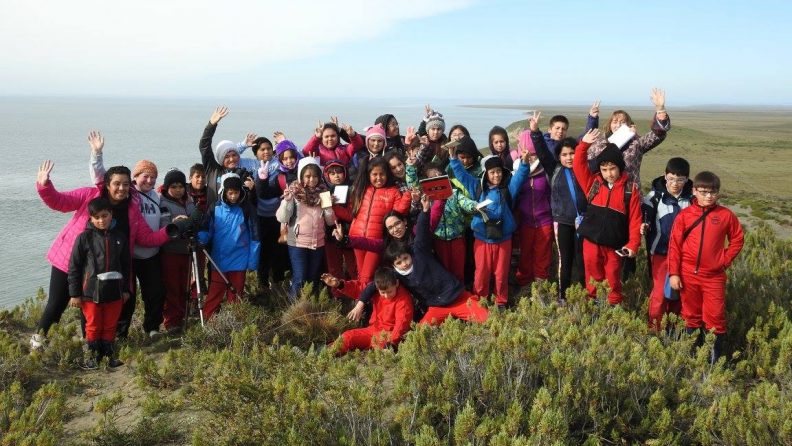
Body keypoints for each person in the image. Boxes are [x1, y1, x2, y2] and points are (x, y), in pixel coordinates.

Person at [31, 133, 172, 350]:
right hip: (68, 259)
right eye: (117, 184)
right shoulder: (90, 196)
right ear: (108, 184)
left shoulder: (132, 210)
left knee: (93, 306)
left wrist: (171, 230)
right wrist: (45, 185)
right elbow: (60, 201)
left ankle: (93, 345)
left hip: (102, 267)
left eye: (126, 185)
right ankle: (38, 342)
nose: (122, 188)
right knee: (56, 303)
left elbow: (146, 237)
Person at [351, 198, 489, 325]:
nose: (403, 264)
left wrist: (425, 210)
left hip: (457, 298)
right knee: (420, 334)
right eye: (390, 228)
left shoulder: (418, 248)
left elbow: (423, 228)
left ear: (404, 222)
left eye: (397, 223)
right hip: (436, 307)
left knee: (488, 319)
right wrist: (360, 303)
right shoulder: (396, 269)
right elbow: (375, 283)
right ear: (393, 264)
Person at [667, 171, 744, 361]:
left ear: (718, 193)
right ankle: (692, 358)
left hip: (714, 277)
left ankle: (713, 363)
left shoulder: (726, 215)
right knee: (690, 316)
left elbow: (737, 240)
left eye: (713, 192)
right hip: (687, 274)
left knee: (715, 319)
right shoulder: (685, 216)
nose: (708, 196)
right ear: (694, 191)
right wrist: (674, 273)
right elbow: (674, 245)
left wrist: (723, 261)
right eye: (703, 192)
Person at [90, 149, 166, 339]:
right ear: (136, 177)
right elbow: (102, 179)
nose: (149, 181)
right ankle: (120, 333)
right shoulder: (130, 194)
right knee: (127, 298)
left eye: (153, 177)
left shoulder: (157, 196)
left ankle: (152, 328)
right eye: (145, 176)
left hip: (151, 253)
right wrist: (96, 155)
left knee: (155, 292)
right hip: (130, 255)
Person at [449, 136, 531, 309]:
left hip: (503, 239)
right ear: (486, 174)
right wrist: (453, 158)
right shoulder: (477, 187)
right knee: (481, 273)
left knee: (501, 273)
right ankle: (482, 299)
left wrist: (524, 162)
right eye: (493, 172)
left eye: (499, 171)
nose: (497, 175)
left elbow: (520, 177)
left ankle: (501, 301)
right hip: (482, 238)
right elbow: (461, 175)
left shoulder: (508, 189)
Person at [573, 130, 642, 305]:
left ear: (620, 167)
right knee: (592, 280)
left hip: (614, 246)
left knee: (613, 281)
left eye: (612, 169)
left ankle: (613, 314)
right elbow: (578, 166)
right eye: (604, 169)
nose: (609, 173)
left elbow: (635, 220)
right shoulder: (593, 183)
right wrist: (584, 145)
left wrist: (633, 244)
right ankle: (593, 311)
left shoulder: (629, 190)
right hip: (591, 243)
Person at [529, 115, 587, 301]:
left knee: (583, 260)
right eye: (564, 154)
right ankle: (563, 296)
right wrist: (535, 132)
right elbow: (542, 152)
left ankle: (584, 295)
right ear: (559, 156)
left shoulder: (584, 169)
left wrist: (592, 120)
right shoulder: (553, 169)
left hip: (583, 222)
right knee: (565, 260)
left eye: (572, 153)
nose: (569, 157)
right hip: (562, 222)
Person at [68, 197, 130, 369]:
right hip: (90, 292)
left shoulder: (120, 237)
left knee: (110, 324)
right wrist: (74, 294)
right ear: (90, 218)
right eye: (97, 217)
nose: (101, 220)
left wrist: (126, 290)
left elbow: (126, 266)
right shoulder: (83, 238)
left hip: (115, 291)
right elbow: (74, 266)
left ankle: (109, 356)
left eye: (105, 215)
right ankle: (92, 357)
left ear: (111, 214)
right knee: (93, 325)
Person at [197, 173, 260, 319]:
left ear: (241, 192)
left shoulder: (247, 209)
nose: (233, 196)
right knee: (215, 292)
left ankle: (235, 322)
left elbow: (255, 238)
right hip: (218, 260)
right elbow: (207, 230)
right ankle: (208, 319)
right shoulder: (215, 208)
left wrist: (252, 262)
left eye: (236, 192)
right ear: (224, 192)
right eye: (230, 193)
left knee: (236, 293)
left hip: (240, 259)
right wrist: (201, 239)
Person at [341, 157, 411, 285]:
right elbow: (351, 214)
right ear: (369, 175)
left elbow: (398, 213)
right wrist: (333, 206)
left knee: (367, 276)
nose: (378, 178)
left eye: (382, 174)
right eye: (375, 174)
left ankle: (362, 302)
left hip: (376, 241)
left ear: (387, 174)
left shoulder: (393, 191)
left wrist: (407, 195)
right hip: (356, 238)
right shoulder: (361, 190)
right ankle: (364, 301)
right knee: (361, 273)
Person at [641, 158, 693, 331]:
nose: (675, 184)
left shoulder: (693, 199)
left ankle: (673, 328)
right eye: (671, 178)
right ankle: (654, 329)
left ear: (687, 179)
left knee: (679, 293)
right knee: (659, 294)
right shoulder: (655, 197)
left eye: (680, 179)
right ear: (665, 176)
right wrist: (644, 225)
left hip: (685, 256)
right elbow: (644, 217)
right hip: (661, 253)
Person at [276, 157, 337, 301]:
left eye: (315, 176)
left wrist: (328, 207)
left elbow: (329, 222)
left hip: (318, 241)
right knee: (300, 277)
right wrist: (287, 201)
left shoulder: (324, 193)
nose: (312, 180)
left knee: (312, 277)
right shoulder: (294, 193)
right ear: (301, 176)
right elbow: (282, 217)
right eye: (308, 176)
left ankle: (308, 306)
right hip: (297, 242)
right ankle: (292, 308)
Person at [406, 162, 476, 283]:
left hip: (457, 237)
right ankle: (450, 293)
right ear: (427, 181)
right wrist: (411, 167)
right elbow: (413, 186)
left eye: (440, 176)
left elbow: (466, 203)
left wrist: (476, 206)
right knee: (444, 269)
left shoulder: (454, 193)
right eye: (432, 178)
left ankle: (461, 291)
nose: (437, 179)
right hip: (438, 240)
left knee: (458, 268)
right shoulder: (427, 196)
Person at [321, 267, 413, 354]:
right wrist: (339, 284)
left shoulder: (403, 299)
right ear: (377, 287)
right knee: (348, 336)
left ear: (396, 283)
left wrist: (392, 343)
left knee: (380, 346)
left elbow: (402, 324)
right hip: (373, 329)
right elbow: (359, 289)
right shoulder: (375, 289)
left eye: (389, 292)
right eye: (383, 292)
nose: (386, 296)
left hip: (389, 335)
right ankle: (325, 352)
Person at [158, 169, 201, 332]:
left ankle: (182, 316)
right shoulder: (163, 203)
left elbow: (195, 222)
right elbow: (165, 228)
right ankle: (171, 321)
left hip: (187, 251)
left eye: (181, 186)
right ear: (167, 187)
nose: (178, 190)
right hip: (170, 252)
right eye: (174, 186)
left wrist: (183, 223)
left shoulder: (189, 201)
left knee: (184, 286)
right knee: (172, 287)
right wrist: (180, 224)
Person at [512, 127, 553, 287]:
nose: (529, 156)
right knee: (525, 255)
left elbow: (552, 195)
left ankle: (540, 289)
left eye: (533, 153)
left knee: (543, 256)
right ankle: (524, 285)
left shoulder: (546, 171)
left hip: (545, 220)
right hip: (525, 221)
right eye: (525, 152)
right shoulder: (517, 171)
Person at [198, 106, 256, 207]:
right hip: (214, 218)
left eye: (234, 155)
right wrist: (211, 125)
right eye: (226, 156)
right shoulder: (213, 170)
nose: (232, 159)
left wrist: (252, 189)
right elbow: (204, 146)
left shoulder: (243, 174)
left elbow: (250, 202)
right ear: (221, 158)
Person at [323, 160, 357, 280]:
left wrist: (334, 206)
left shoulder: (352, 189)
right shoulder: (324, 191)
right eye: (332, 173)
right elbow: (327, 219)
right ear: (327, 176)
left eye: (339, 172)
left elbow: (350, 216)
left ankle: (358, 294)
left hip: (348, 234)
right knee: (334, 267)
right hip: (330, 235)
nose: (336, 176)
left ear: (345, 173)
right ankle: (337, 295)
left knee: (353, 266)